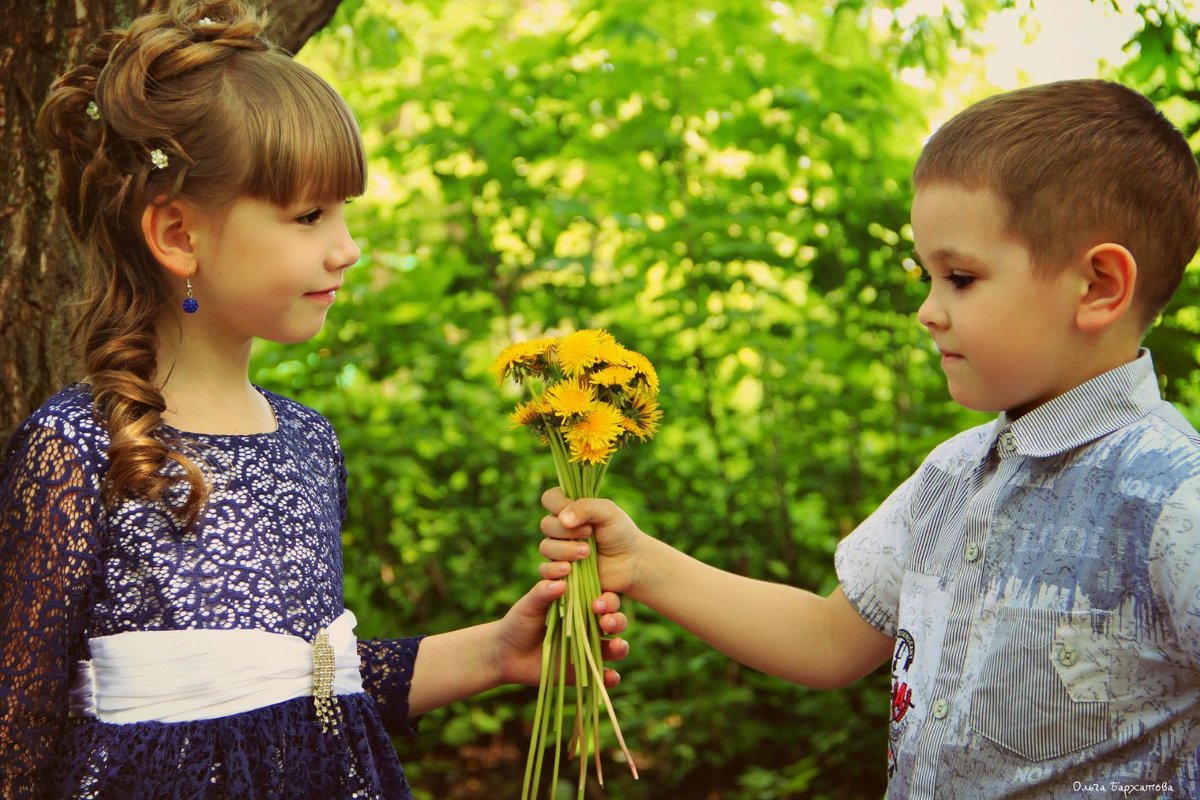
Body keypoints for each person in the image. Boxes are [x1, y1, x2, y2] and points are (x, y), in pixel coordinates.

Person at [0, 3, 628, 798]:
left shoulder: (307, 439)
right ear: (178, 235)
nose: (347, 247)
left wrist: (497, 652)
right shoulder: (79, 447)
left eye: (344, 213)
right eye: (308, 216)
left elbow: (309, 681)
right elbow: (15, 740)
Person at [539, 79, 1200, 798]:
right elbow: (828, 641)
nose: (927, 311)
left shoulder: (1176, 502)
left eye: (959, 278)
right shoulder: (951, 476)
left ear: (1099, 286)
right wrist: (642, 564)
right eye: (927, 276)